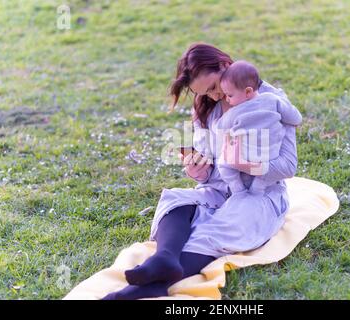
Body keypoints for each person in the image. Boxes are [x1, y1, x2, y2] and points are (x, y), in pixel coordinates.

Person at [102, 43, 301, 300]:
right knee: (176, 201)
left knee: (215, 230)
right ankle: (165, 257)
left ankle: (141, 290)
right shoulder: (205, 106)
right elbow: (209, 167)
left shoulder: (270, 103)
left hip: (258, 195)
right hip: (219, 190)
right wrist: (198, 172)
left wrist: (245, 165)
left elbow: (288, 167)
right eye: (205, 93)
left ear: (225, 66)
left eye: (214, 87)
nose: (214, 96)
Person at [216, 60, 302, 194]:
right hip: (270, 156)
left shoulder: (235, 111)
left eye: (230, 95)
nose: (227, 99)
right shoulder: (272, 99)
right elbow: (295, 118)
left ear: (248, 92)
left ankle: (237, 188)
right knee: (266, 174)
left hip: (244, 155)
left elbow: (220, 127)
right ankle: (259, 187)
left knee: (223, 165)